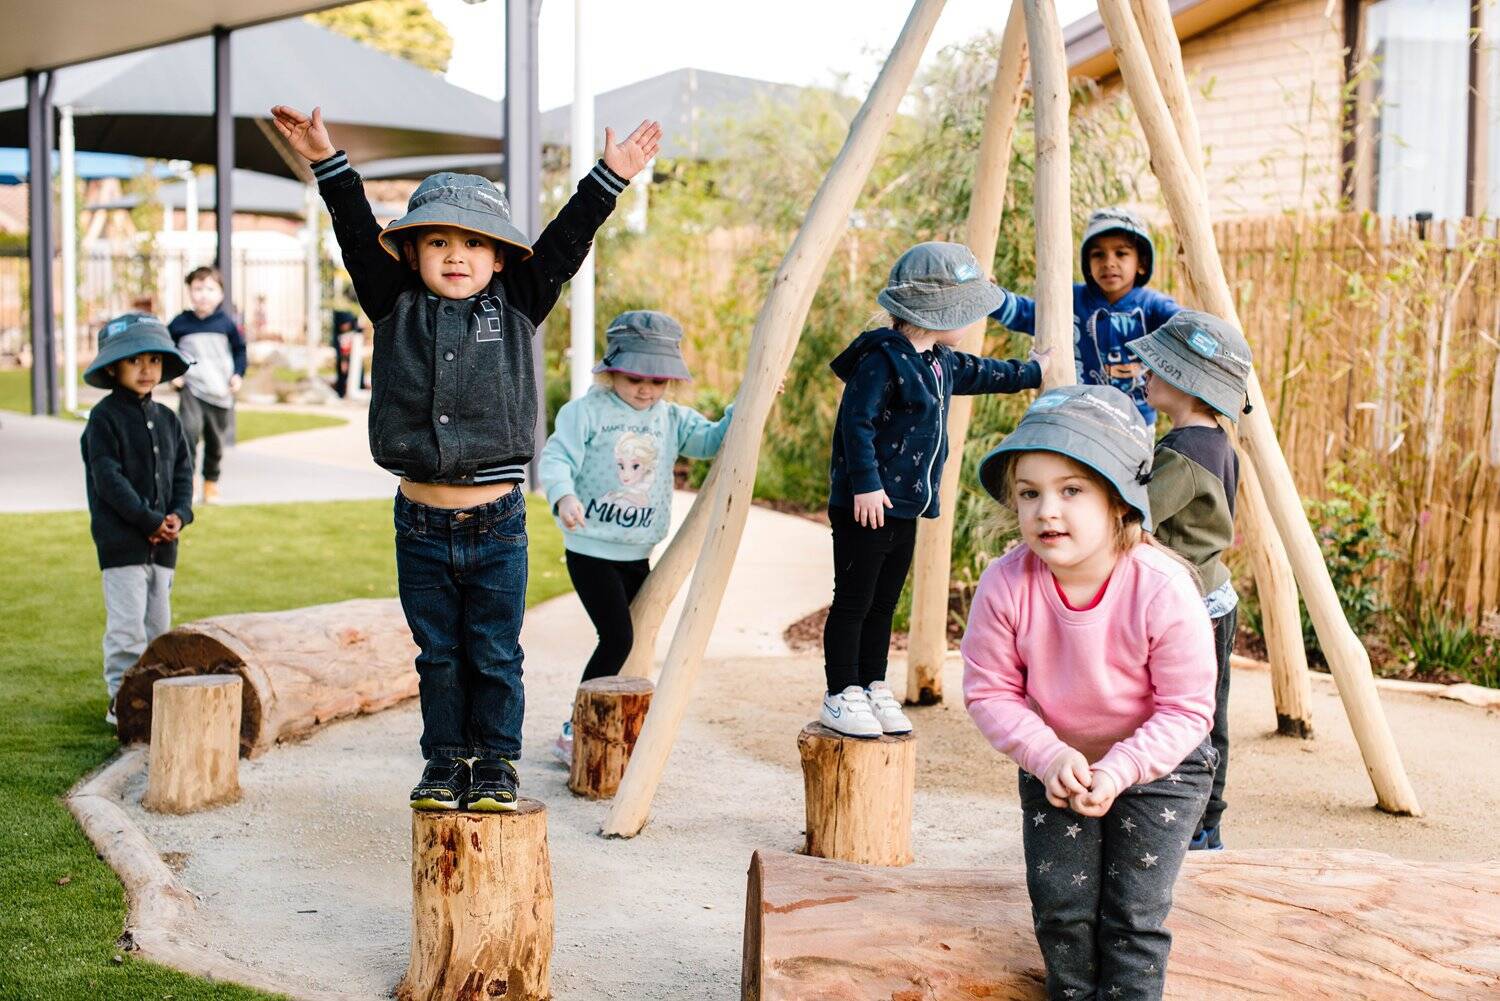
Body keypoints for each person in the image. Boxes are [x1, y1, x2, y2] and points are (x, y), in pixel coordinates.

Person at [271, 103, 661, 812]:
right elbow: (356, 231)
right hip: (419, 526)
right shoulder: (392, 302)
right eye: (440, 242)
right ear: (412, 253)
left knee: (493, 652)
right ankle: (447, 759)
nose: (457, 255)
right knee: (439, 656)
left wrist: (610, 177)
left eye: (475, 244)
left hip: (496, 525)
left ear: (502, 256)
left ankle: (497, 765)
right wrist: (328, 160)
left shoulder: (519, 299)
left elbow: (568, 239)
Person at [962, 384, 1217, 1001]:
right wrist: (1048, 756)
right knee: (1063, 912)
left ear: (1120, 502)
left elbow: (1188, 709)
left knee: (1131, 918)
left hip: (1162, 766)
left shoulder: (1162, 587)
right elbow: (989, 691)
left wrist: (1124, 766)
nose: (1047, 510)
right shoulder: (1006, 585)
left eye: (1071, 490)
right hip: (1059, 764)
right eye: (1030, 493)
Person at [821, 241, 1043, 739]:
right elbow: (854, 423)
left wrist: (1034, 372)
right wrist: (866, 485)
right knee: (854, 599)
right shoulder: (882, 360)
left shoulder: (940, 361)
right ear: (934, 312)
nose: (970, 323)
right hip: (867, 504)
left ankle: (873, 684)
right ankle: (841, 692)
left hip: (904, 506)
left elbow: (987, 373)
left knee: (884, 601)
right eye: (964, 312)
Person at [538, 310, 734, 764]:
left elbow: (709, 442)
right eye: (634, 378)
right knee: (617, 638)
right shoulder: (586, 412)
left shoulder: (671, 418)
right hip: (591, 550)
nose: (645, 389)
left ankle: (611, 720)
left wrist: (740, 409)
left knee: (635, 638)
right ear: (611, 370)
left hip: (638, 551)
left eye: (658, 381)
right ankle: (576, 725)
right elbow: (556, 459)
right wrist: (565, 498)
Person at [1128, 309, 1254, 851]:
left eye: (1156, 367)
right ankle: (1209, 822)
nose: (1145, 372)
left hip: (1188, 603)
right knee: (1209, 711)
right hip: (1216, 593)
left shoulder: (1181, 455)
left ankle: (1191, 823)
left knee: (1183, 714)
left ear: (1187, 382)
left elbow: (1135, 518)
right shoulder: (1218, 443)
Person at [80, 314, 195, 727]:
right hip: (122, 545)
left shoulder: (168, 419)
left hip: (164, 545)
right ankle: (119, 697)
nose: (147, 370)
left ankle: (150, 698)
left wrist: (179, 515)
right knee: (126, 628)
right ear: (113, 367)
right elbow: (108, 481)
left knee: (157, 627)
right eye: (135, 361)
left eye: (154, 360)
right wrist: (148, 520)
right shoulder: (104, 419)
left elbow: (184, 471)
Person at [988, 207, 1180, 424]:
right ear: (1087, 265)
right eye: (1098, 254)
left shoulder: (1153, 307)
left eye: (1121, 253)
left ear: (1142, 264)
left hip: (1136, 421)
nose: (1109, 262)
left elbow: (1187, 326)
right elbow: (1028, 314)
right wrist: (990, 298)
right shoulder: (1070, 299)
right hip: (1080, 417)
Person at [168, 266, 247, 503]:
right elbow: (166, 351)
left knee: (216, 441)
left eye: (210, 289)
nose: (203, 294)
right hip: (192, 389)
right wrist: (174, 374)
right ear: (190, 292)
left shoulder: (227, 325)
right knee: (188, 433)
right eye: (198, 288)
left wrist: (237, 375)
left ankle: (210, 483)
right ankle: (188, 482)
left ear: (221, 294)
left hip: (220, 392)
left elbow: (240, 352)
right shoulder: (180, 324)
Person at [331, 308, 367, 398]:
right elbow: (338, 349)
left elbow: (360, 331)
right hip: (343, 357)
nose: (345, 327)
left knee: (358, 374)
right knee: (342, 376)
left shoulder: (354, 330)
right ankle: (341, 393)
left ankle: (359, 388)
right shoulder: (338, 335)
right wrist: (343, 361)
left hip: (353, 358)